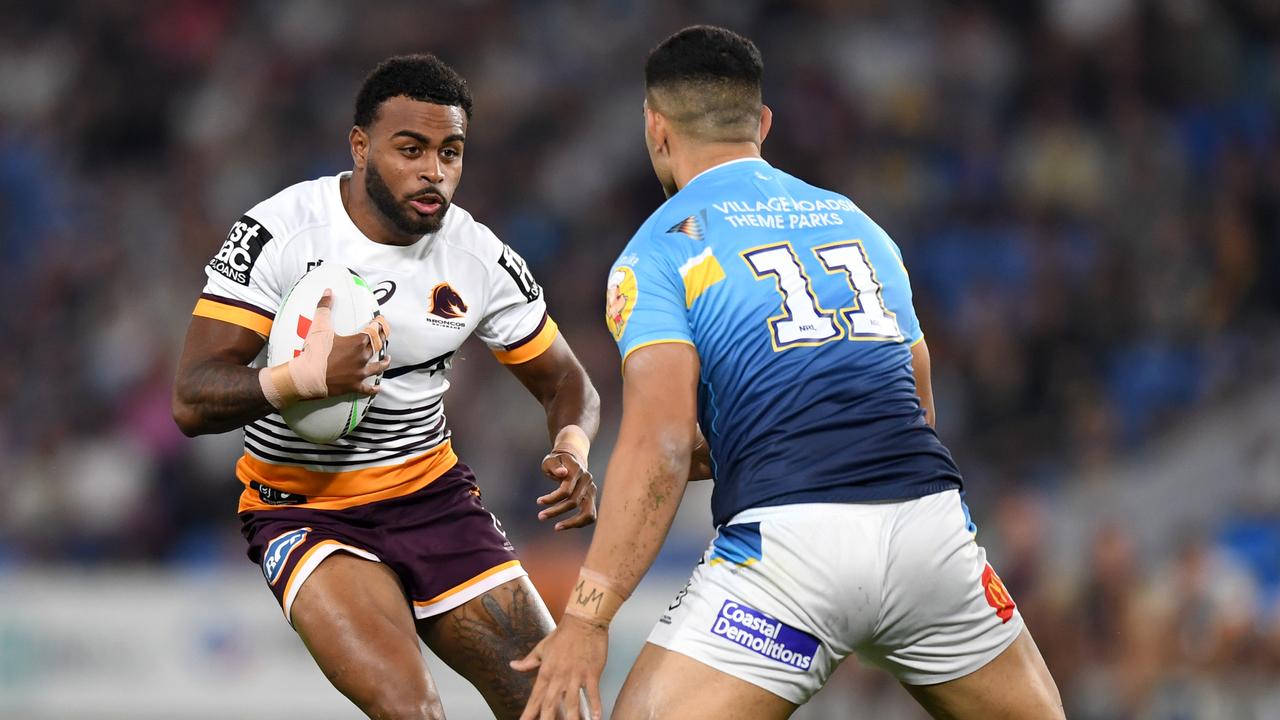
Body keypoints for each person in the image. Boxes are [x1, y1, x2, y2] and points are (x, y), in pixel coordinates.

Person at [513, 26, 1064, 719]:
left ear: (656, 129)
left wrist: (589, 621)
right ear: (762, 124)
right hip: (930, 538)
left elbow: (658, 440)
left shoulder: (658, 249)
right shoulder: (858, 225)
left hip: (788, 558)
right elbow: (915, 403)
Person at [172, 54, 599, 720]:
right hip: (305, 510)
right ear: (360, 147)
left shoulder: (477, 255)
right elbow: (192, 399)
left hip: (433, 500)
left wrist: (571, 446)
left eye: (451, 152)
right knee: (412, 708)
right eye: (412, 149)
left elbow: (568, 381)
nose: (435, 171)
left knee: (558, 708)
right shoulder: (281, 232)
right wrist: (308, 377)